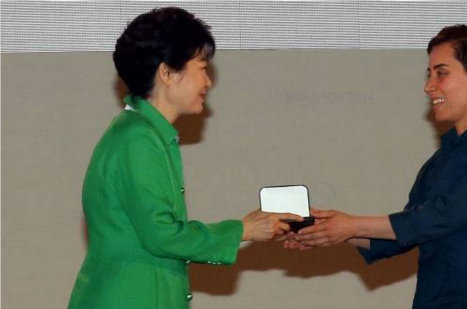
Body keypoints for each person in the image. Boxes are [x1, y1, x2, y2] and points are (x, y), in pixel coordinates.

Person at [68, 7, 302, 309]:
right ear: (166, 73)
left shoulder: (140, 133)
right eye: (202, 68)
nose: (208, 83)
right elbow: (162, 235)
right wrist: (243, 229)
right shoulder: (138, 140)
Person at [289, 21, 467, 309]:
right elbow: (399, 236)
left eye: (441, 73)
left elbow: (438, 217)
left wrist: (350, 225)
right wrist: (331, 229)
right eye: (429, 74)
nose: (429, 86)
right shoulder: (438, 163)